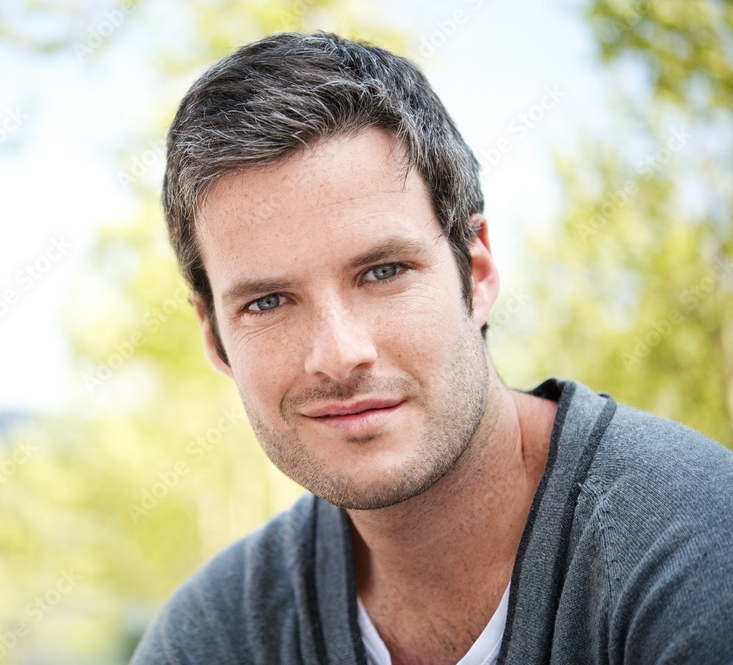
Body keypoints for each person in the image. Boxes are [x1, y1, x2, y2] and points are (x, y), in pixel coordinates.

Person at [129, 31, 733, 664]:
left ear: (477, 274)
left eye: (383, 272)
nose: (338, 354)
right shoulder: (215, 638)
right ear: (214, 337)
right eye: (268, 302)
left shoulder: (697, 549)